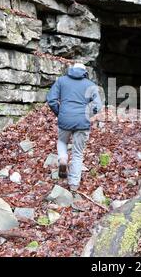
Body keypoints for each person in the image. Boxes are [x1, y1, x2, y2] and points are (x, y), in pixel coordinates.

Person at [46, 62, 102, 191]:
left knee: (62, 141)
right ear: (84, 72)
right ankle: (74, 184)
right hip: (82, 121)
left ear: (72, 70)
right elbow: (97, 105)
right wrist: (87, 113)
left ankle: (63, 159)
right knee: (77, 153)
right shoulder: (90, 85)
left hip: (65, 119)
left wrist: (59, 112)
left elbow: (51, 99)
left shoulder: (61, 81)